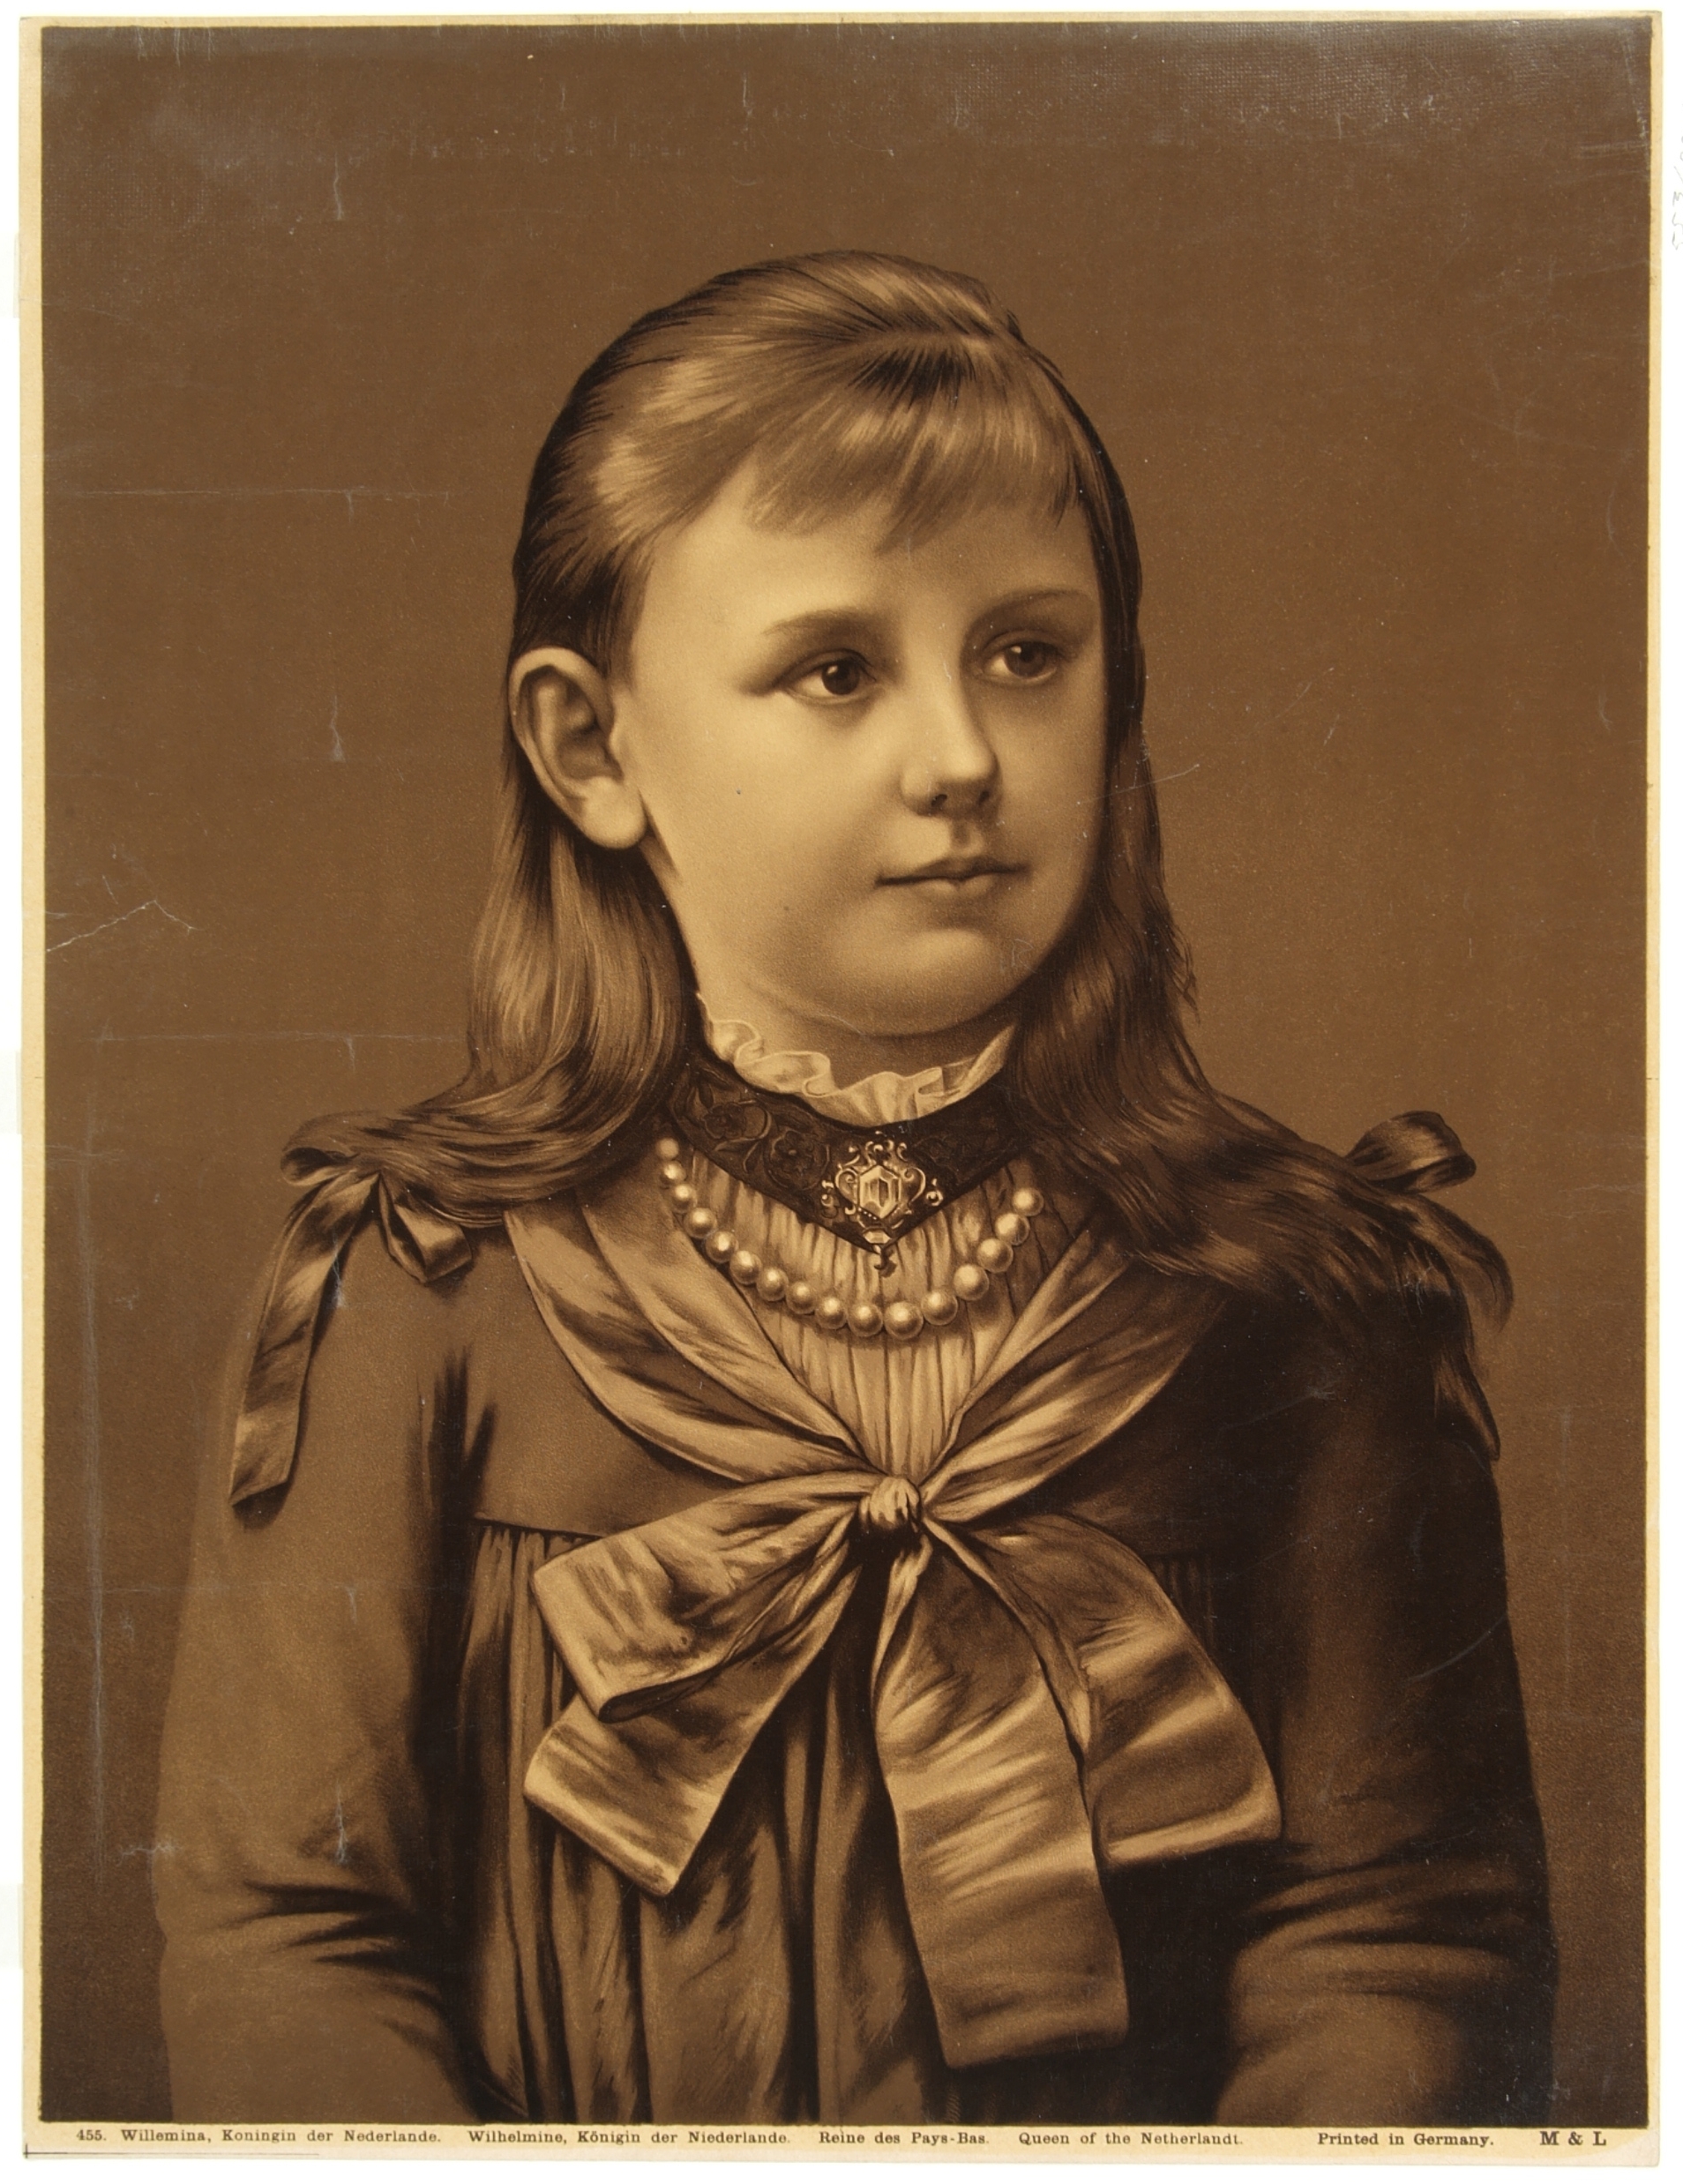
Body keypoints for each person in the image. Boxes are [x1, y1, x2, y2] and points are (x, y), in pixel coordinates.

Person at [153, 251, 1555, 2128]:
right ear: (591, 747)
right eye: (838, 671)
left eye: (1028, 654)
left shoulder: (1297, 1305)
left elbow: (1401, 1934)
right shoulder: (411, 1293)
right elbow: (286, 1938)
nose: (963, 758)